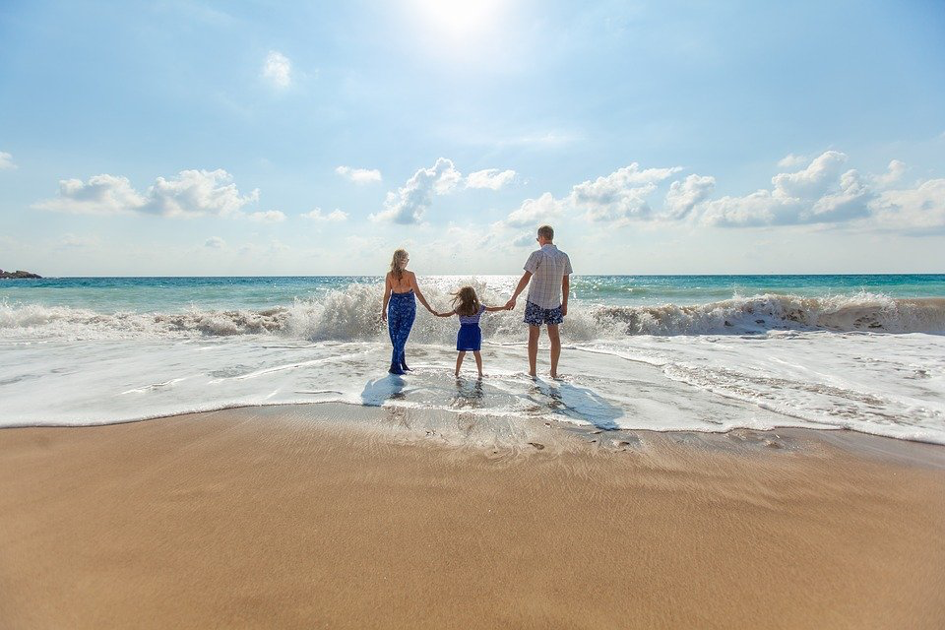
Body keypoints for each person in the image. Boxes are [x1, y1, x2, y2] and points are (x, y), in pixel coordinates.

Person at [504, 225, 572, 378]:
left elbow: (526, 278)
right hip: (554, 302)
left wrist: (513, 297)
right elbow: (566, 284)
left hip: (535, 301)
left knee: (533, 336)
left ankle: (533, 371)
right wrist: (565, 304)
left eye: (537, 239)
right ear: (551, 237)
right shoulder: (563, 256)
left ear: (541, 238)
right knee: (554, 337)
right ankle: (553, 372)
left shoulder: (537, 255)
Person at [381, 249, 435, 375]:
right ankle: (395, 365)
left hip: (394, 306)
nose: (408, 261)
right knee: (399, 337)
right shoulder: (409, 275)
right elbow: (418, 293)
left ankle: (402, 363)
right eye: (407, 259)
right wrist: (429, 308)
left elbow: (387, 295)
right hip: (407, 306)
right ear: (403, 260)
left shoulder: (390, 275)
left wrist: (383, 310)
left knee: (398, 337)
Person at [435, 286, 507, 377]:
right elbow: (492, 309)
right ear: (473, 295)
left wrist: (438, 314)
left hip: (464, 331)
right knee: (476, 352)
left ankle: (457, 372)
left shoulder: (459, 308)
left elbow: (448, 314)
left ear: (462, 296)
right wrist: (504, 307)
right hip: (474, 331)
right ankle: (480, 373)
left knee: (461, 353)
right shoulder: (478, 307)